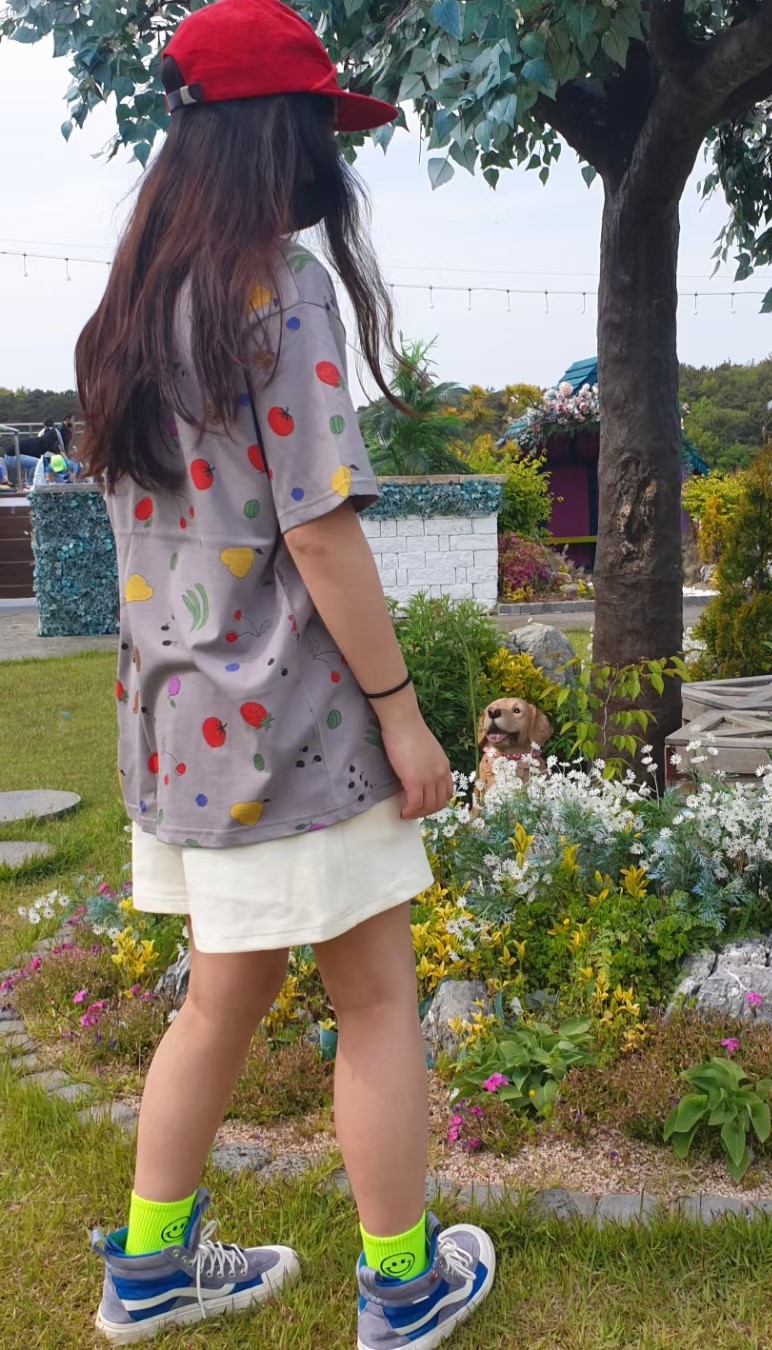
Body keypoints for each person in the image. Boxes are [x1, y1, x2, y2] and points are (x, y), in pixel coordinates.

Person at [75, 0, 495, 1344]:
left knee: (219, 1002)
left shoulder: (137, 304)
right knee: (376, 1002)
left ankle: (150, 1271)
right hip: (296, 726)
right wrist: (404, 717)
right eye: (320, 126)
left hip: (179, 730)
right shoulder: (278, 287)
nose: (332, 157)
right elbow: (318, 529)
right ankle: (404, 1289)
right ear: (279, 135)